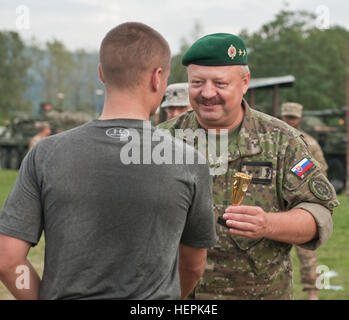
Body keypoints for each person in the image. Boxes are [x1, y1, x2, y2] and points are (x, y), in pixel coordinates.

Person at [0, 22, 216, 300]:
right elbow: (194, 267)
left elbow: (7, 261)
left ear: (101, 74)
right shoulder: (189, 162)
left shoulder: (45, 154)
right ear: (157, 78)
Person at [158, 33, 338, 299]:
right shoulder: (161, 140)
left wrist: (268, 224)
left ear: (244, 83)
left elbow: (318, 212)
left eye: (220, 83)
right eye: (197, 83)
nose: (207, 93)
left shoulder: (281, 141)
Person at [281, 102, 328, 300]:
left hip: (299, 204)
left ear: (299, 118)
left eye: (293, 117)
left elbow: (320, 172)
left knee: (307, 253)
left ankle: (312, 291)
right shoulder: (275, 138)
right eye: (287, 116)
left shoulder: (309, 143)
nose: (290, 120)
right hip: (276, 205)